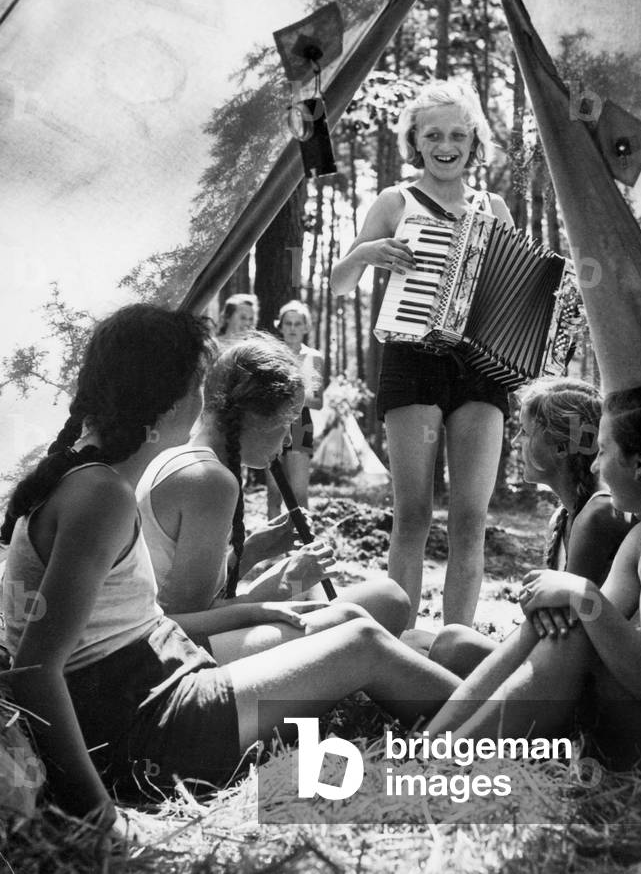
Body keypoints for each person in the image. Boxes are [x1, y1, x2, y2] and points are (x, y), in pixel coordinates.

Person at [0, 304, 462, 830]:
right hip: (151, 731)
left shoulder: (83, 479)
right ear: (167, 399)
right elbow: (36, 670)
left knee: (350, 627)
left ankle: (481, 705)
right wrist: (100, 816)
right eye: (197, 387)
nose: (203, 404)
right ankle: (510, 731)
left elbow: (132, 627)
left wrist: (264, 602)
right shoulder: (100, 496)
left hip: (157, 695)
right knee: (364, 645)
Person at [427, 384, 641, 763]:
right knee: (565, 623)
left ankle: (448, 762)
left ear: (639, 463)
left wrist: (583, 595)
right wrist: (570, 602)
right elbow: (576, 625)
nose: (595, 465)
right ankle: (431, 750)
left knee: (575, 622)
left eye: (605, 451)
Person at [331, 79, 514, 628]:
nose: (445, 144)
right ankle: (396, 642)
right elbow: (341, 283)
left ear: (473, 142)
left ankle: (456, 643)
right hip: (412, 361)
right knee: (412, 512)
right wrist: (366, 252)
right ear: (415, 139)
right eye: (433, 134)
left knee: (470, 518)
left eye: (458, 134)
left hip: (480, 366)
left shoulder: (494, 206)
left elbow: (512, 286)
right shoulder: (395, 200)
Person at [137, 332, 410, 660]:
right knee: (385, 603)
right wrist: (274, 591)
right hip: (176, 660)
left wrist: (251, 551)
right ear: (255, 418)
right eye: (288, 424)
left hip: (174, 645)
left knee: (386, 600)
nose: (287, 441)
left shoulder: (184, 458)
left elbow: (184, 596)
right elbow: (183, 626)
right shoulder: (211, 481)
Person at [428, 378, 633, 676]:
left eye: (525, 432)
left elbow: (561, 627)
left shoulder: (597, 515)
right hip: (553, 655)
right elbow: (545, 621)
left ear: (562, 447)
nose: (515, 442)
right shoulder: (562, 517)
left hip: (577, 672)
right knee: (417, 640)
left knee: (449, 645)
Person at [265, 300, 324, 519]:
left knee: (299, 493)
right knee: (273, 493)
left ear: (306, 327)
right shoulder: (271, 354)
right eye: (287, 323)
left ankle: (305, 545)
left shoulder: (314, 358)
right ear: (280, 326)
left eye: (298, 323)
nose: (292, 328)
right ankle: (273, 550)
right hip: (273, 423)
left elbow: (318, 401)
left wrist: (289, 396)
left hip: (300, 424)